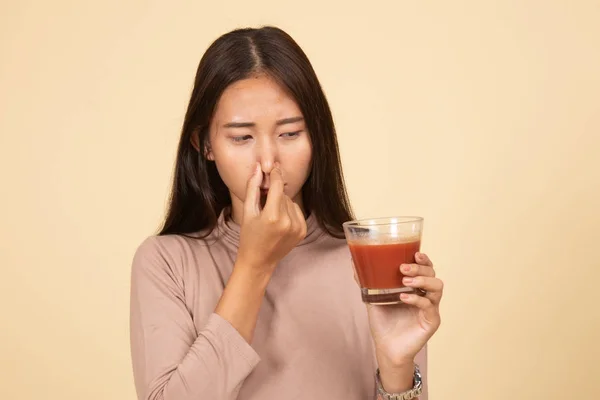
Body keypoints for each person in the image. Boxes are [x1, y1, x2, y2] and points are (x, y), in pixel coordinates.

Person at [129, 26, 444, 400]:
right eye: (241, 137)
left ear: (317, 138)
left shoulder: (368, 263)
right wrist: (254, 264)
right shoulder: (166, 262)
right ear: (205, 145)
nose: (267, 161)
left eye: (290, 133)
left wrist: (396, 366)